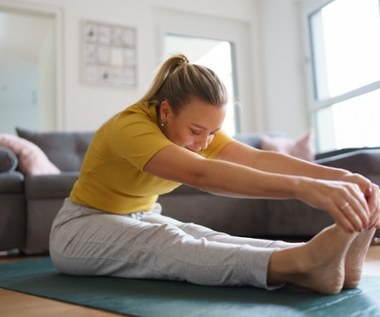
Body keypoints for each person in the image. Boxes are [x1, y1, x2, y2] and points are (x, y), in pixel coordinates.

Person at [49, 54, 380, 295]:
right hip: (81, 226)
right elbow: (203, 174)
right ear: (165, 111)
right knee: (168, 243)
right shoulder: (130, 127)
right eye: (197, 131)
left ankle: (324, 262)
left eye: (213, 132)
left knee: (203, 235)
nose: (204, 142)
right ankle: (300, 263)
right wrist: (303, 188)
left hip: (141, 215)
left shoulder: (199, 132)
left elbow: (257, 160)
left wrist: (339, 177)